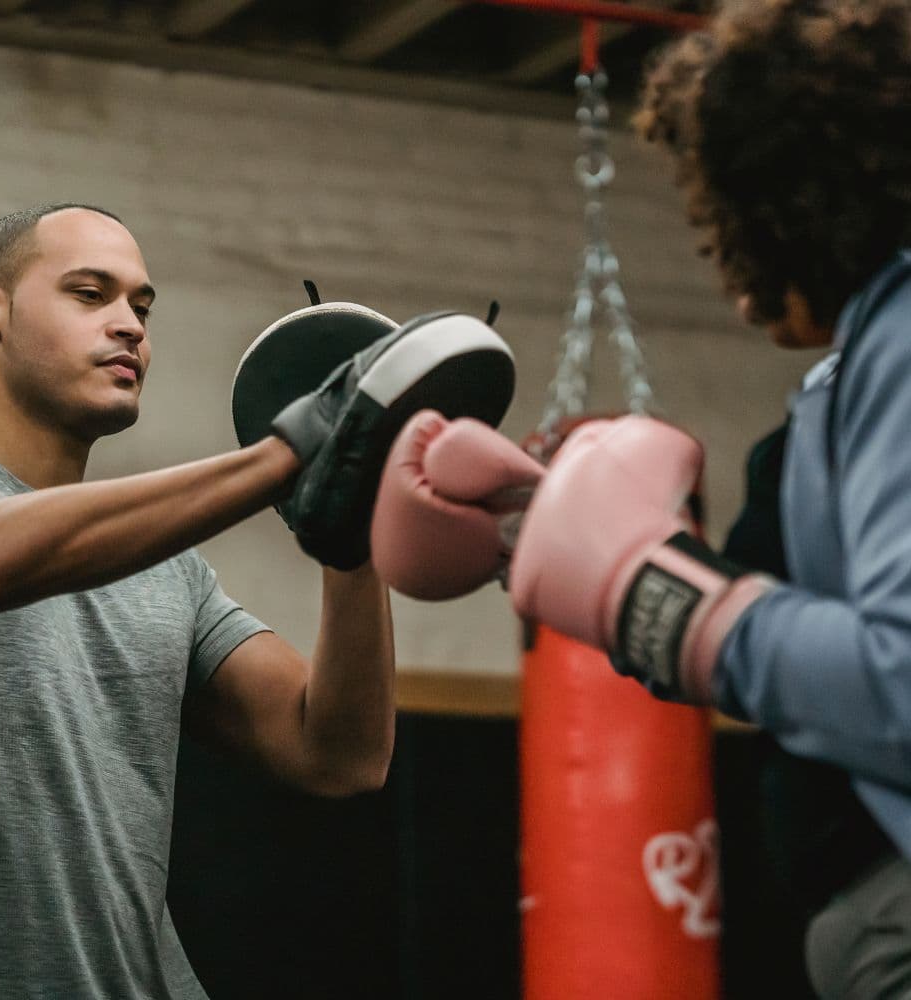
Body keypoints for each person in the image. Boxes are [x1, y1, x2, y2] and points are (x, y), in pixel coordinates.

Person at [370, 1, 911, 995]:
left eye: (718, 216)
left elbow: (897, 684)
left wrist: (634, 585)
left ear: (785, 197)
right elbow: (772, 622)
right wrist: (544, 534)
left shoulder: (903, 340)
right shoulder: (854, 373)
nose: (717, 256)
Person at [0, 202, 509, 997]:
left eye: (142, 306)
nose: (129, 324)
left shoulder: (169, 574)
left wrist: (352, 533)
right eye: (91, 295)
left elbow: (339, 754)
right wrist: (297, 447)